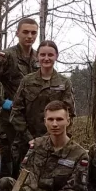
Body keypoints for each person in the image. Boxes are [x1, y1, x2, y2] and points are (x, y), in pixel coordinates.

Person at [0, 18, 39, 176]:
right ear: (17, 33)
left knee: (26, 164)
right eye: (25, 32)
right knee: (2, 163)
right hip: (8, 120)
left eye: (33, 33)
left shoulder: (39, 58)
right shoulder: (6, 56)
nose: (29, 36)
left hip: (30, 123)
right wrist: (2, 102)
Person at [10, 41, 75, 169]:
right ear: (37, 56)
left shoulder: (64, 83)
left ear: (56, 56)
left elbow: (70, 114)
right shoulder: (27, 81)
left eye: (50, 55)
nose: (46, 58)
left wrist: (47, 139)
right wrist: (30, 138)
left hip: (55, 143)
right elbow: (16, 112)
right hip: (26, 143)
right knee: (24, 181)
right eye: (42, 55)